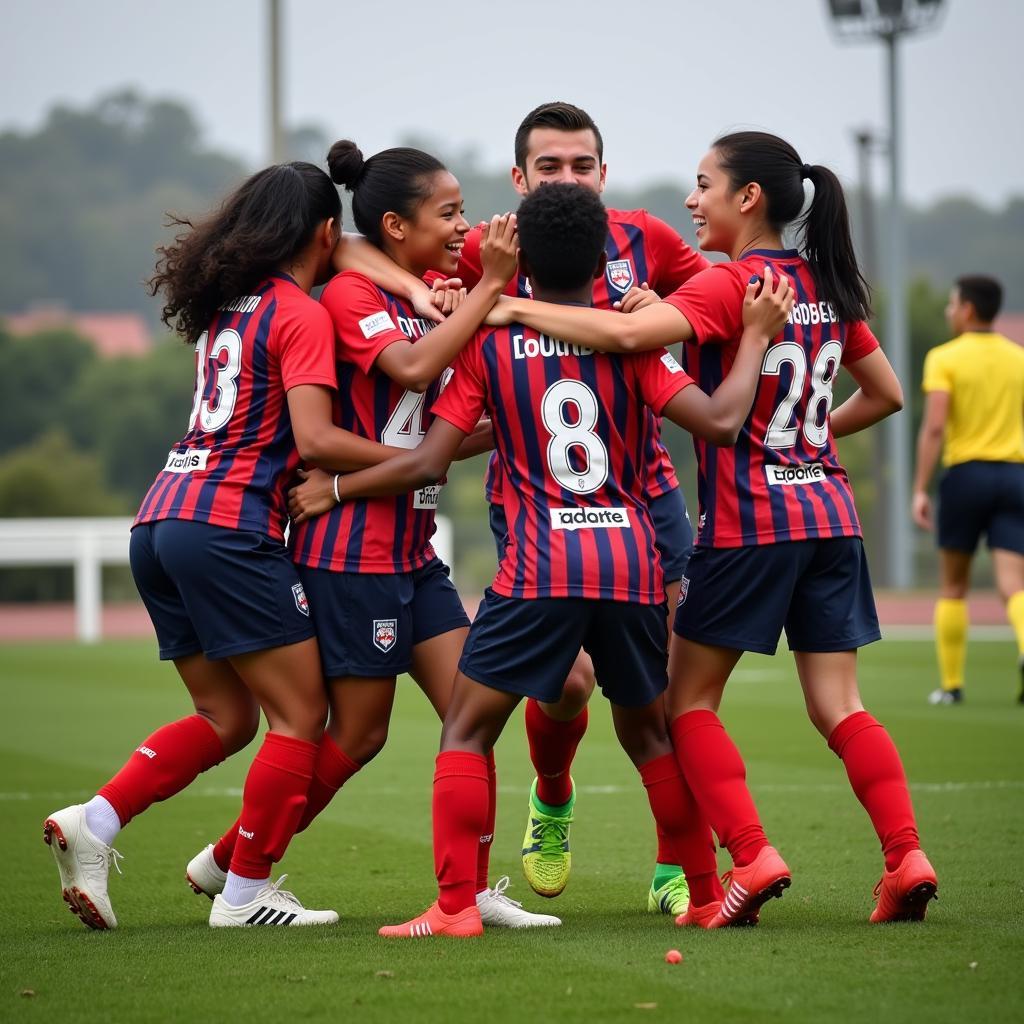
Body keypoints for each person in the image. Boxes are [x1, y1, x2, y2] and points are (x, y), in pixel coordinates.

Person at [288, 181, 794, 938]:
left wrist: (339, 486)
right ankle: (702, 893)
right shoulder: (633, 338)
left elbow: (430, 460)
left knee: (466, 729)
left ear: (519, 257)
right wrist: (753, 337)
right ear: (604, 259)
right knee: (652, 732)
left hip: (539, 566)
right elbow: (720, 424)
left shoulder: (489, 342)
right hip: (631, 562)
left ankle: (455, 907)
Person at [490, 132, 936, 928]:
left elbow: (628, 340)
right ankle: (906, 858)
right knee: (842, 707)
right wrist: (807, 439)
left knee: (687, 702)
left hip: (752, 527)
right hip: (832, 518)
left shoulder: (733, 284)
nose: (692, 202)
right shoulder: (827, 284)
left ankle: (751, 855)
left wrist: (511, 305)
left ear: (749, 199)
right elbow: (888, 393)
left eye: (704, 186)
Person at [186, 141, 558, 929]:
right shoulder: (350, 295)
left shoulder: (424, 290)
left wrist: (509, 416)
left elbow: (442, 439)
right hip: (347, 552)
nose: (463, 226)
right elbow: (416, 373)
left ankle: (467, 891)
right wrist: (486, 286)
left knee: (472, 709)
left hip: (413, 549)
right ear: (395, 222)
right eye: (449, 213)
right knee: (356, 734)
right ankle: (238, 865)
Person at [43, 162, 408, 929]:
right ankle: (241, 897)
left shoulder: (229, 310)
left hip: (160, 520)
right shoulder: (299, 312)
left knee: (226, 718)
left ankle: (95, 823)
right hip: (226, 527)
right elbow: (314, 438)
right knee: (301, 716)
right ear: (322, 233)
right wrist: (414, 461)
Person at [457, 100, 711, 916]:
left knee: (662, 694)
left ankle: (676, 868)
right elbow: (413, 272)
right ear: (518, 179)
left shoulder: (651, 242)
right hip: (536, 496)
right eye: (550, 167)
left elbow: (717, 295)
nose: (567, 179)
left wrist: (666, 316)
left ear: (605, 173)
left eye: (581, 166)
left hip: (649, 498)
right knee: (565, 683)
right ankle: (553, 795)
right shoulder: (485, 248)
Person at [911, 275, 1024, 705]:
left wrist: (920, 488)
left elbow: (936, 425)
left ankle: (952, 685)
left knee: (953, 586)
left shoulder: (944, 357)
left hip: (966, 476)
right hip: (1015, 476)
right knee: (1013, 585)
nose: (948, 312)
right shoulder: (1018, 358)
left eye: (952, 304)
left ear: (968, 310)